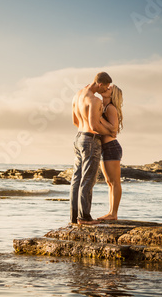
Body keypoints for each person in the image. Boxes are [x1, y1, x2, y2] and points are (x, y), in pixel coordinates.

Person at [70, 72, 116, 225]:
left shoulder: (78, 95)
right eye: (107, 86)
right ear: (100, 84)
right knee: (88, 179)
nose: (108, 89)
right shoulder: (94, 100)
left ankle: (74, 217)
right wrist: (110, 131)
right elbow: (94, 126)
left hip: (78, 138)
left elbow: (75, 121)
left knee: (76, 179)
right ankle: (84, 218)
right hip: (90, 140)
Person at [97, 84, 124, 221]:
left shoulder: (111, 108)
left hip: (111, 147)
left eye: (109, 89)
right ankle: (111, 212)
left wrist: (100, 118)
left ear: (112, 94)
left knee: (115, 182)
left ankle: (113, 214)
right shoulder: (104, 107)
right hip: (105, 148)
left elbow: (113, 130)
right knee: (109, 182)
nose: (106, 88)